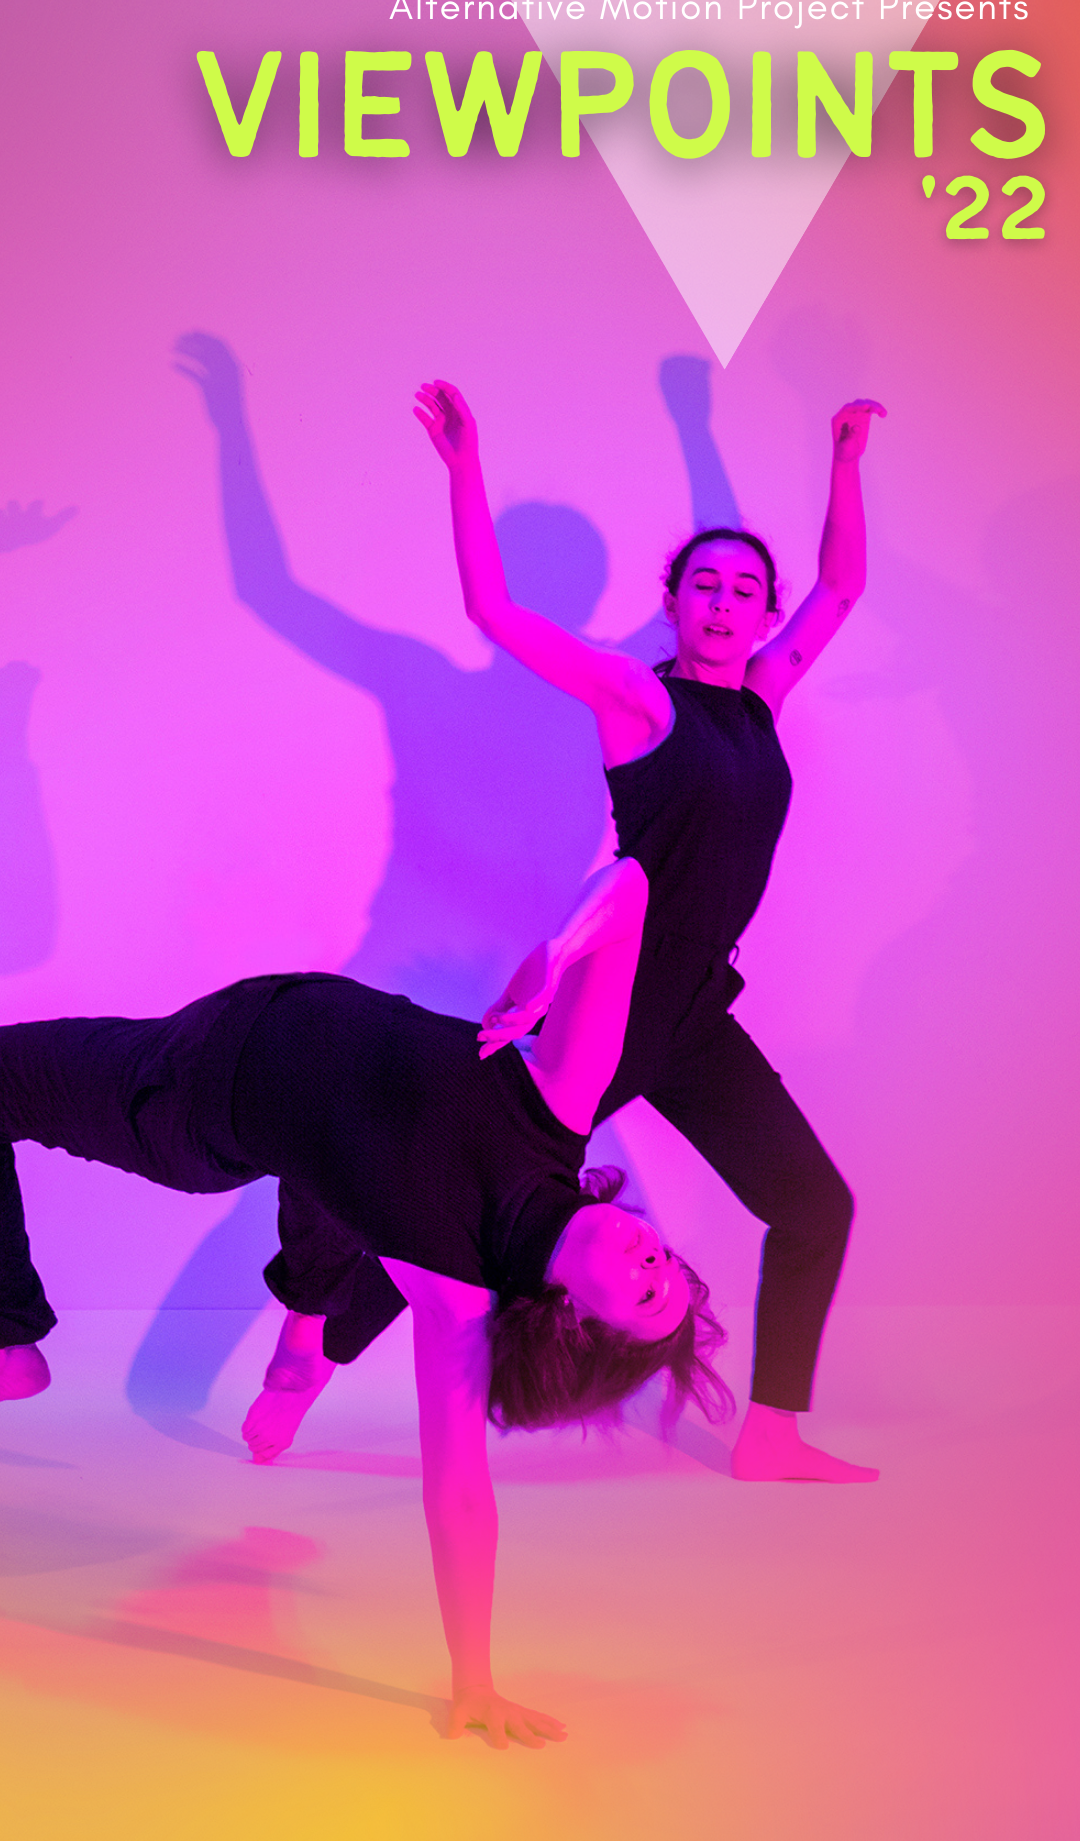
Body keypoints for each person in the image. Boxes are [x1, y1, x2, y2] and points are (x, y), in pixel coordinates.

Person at [278, 379, 886, 1482]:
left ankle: (771, 1432)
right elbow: (496, 617)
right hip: (611, 1001)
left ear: (761, 614)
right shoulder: (637, 701)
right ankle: (316, 1340)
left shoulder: (767, 696)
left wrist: (842, 459)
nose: (724, 601)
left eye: (746, 589)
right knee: (457, 1190)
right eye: (704, 582)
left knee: (815, 1207)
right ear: (677, 600)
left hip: (695, 1012)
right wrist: (466, 467)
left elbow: (842, 585)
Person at [0, 855, 730, 1745]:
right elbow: (632, 888)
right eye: (671, 1267)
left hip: (194, 1093)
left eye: (647, 1296)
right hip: (275, 1023)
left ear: (581, 1321)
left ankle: (11, 1339)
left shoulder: (454, 1298)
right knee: (348, 1171)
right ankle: (302, 1342)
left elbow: (461, 1500)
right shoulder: (561, 1098)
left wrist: (475, 1682)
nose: (657, 1258)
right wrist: (556, 956)